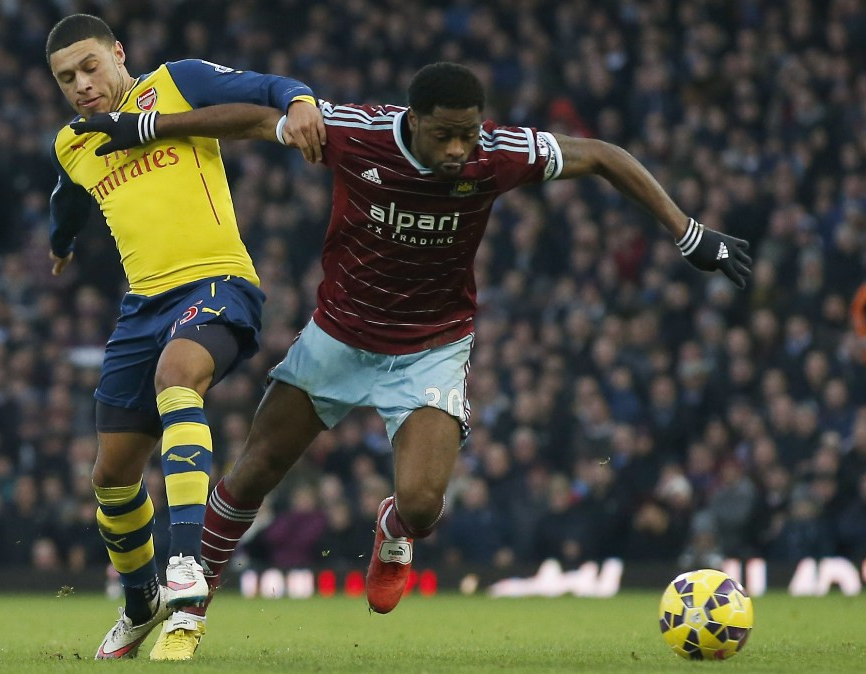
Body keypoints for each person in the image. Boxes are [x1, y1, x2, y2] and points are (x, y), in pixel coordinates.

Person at [72, 62, 751, 657]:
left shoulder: (497, 155)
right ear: (413, 119)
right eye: (445, 134)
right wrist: (148, 129)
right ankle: (191, 614)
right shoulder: (355, 133)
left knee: (426, 506)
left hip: (430, 348)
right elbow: (254, 120)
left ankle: (393, 529)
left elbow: (602, 155)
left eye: (470, 133)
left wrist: (688, 233)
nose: (460, 149)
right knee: (252, 475)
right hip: (336, 338)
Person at [43, 13, 324, 661]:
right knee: (111, 477)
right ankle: (140, 600)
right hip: (142, 308)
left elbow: (267, 87)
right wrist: (60, 244)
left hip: (217, 283)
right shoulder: (73, 142)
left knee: (179, 377)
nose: (82, 85)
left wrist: (302, 100)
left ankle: (187, 573)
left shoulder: (176, 83)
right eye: (67, 78)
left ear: (119, 54)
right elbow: (67, 198)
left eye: (90, 67)